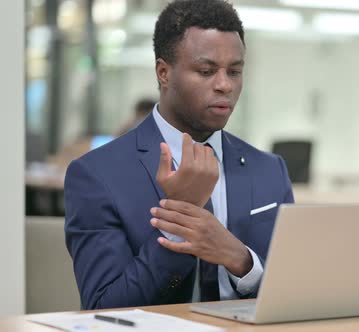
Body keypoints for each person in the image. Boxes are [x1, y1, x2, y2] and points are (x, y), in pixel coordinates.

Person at [65, 0, 294, 310]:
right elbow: (105, 307)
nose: (224, 85)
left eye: (235, 71)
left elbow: (293, 292)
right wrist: (180, 219)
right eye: (206, 71)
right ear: (163, 73)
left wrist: (241, 261)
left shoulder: (269, 169)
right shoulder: (96, 175)